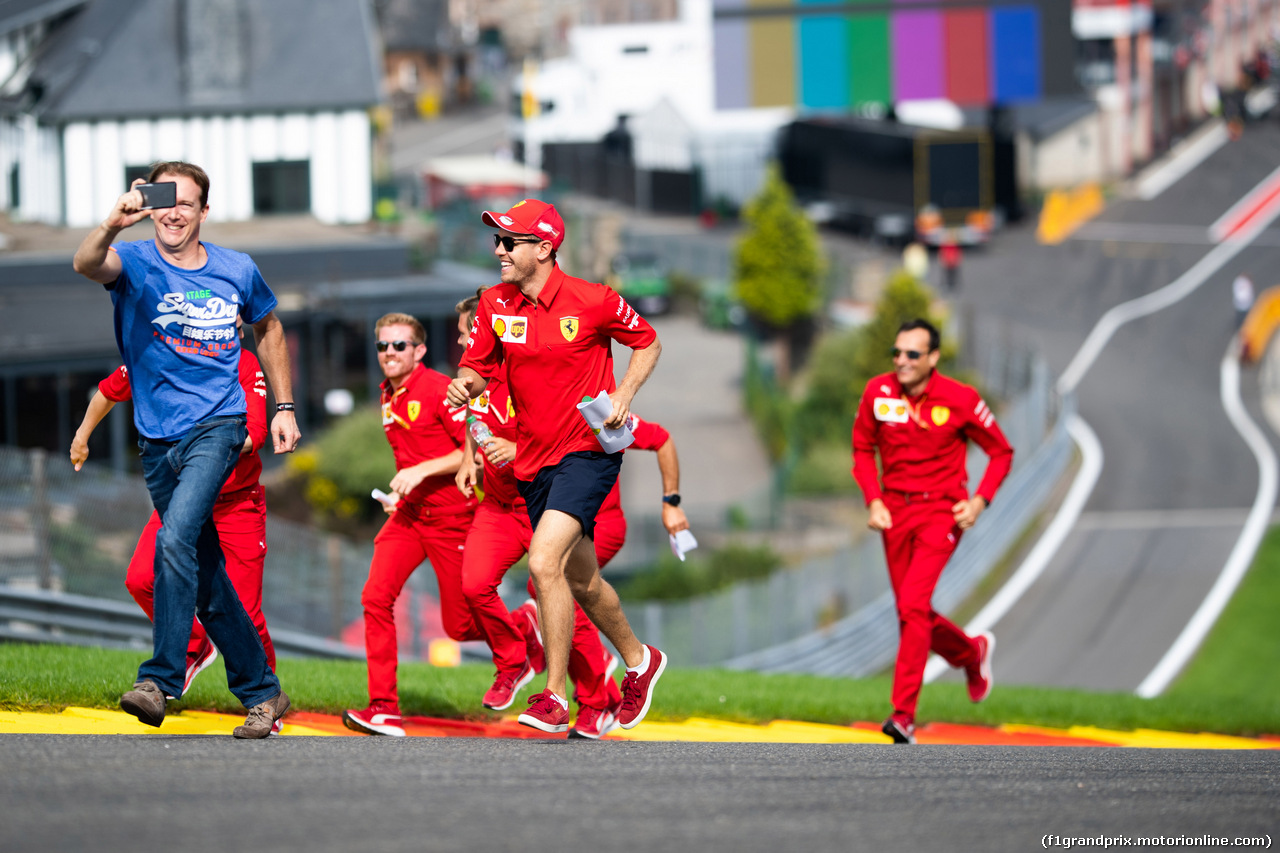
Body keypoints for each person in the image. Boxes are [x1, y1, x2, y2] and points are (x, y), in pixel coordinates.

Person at [71, 160, 297, 738]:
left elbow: (268, 329)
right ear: (149, 206)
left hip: (216, 427)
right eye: (163, 201)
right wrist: (111, 224)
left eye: (186, 203)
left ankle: (160, 681)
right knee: (206, 577)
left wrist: (284, 408)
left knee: (174, 540)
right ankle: (264, 692)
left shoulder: (236, 269)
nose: (174, 212)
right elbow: (85, 263)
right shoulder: (135, 262)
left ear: (203, 211)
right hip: (156, 439)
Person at [447, 199, 667, 734]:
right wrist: (465, 385)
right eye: (497, 241)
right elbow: (477, 367)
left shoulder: (594, 300)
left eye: (509, 242)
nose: (498, 251)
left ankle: (553, 694)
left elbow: (648, 341)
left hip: (587, 453)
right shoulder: (495, 303)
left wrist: (624, 392)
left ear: (544, 249)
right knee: (582, 580)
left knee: (543, 562)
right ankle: (641, 661)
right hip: (533, 461)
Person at [70, 342, 278, 700]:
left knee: (245, 610)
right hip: (180, 498)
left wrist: (204, 450)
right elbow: (108, 390)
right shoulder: (159, 353)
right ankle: (193, 647)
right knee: (140, 580)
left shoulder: (243, 363)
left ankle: (264, 699)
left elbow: (255, 434)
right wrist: (82, 435)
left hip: (236, 504)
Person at [851, 319, 1013, 745]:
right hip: (894, 513)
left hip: (942, 513)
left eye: (912, 355)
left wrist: (978, 502)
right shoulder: (877, 392)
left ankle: (903, 716)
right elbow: (862, 448)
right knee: (912, 609)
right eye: (897, 353)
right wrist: (873, 498)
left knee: (913, 606)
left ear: (933, 358)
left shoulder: (960, 398)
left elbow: (1001, 451)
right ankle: (971, 653)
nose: (901, 361)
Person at [342, 313, 481, 737]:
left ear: (419, 351)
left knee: (461, 626)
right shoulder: (388, 393)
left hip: (452, 517)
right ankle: (383, 708)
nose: (389, 353)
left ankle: (526, 632)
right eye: (383, 346)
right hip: (409, 516)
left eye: (399, 346)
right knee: (375, 598)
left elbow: (470, 453)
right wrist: (402, 493)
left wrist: (419, 472)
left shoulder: (440, 390)